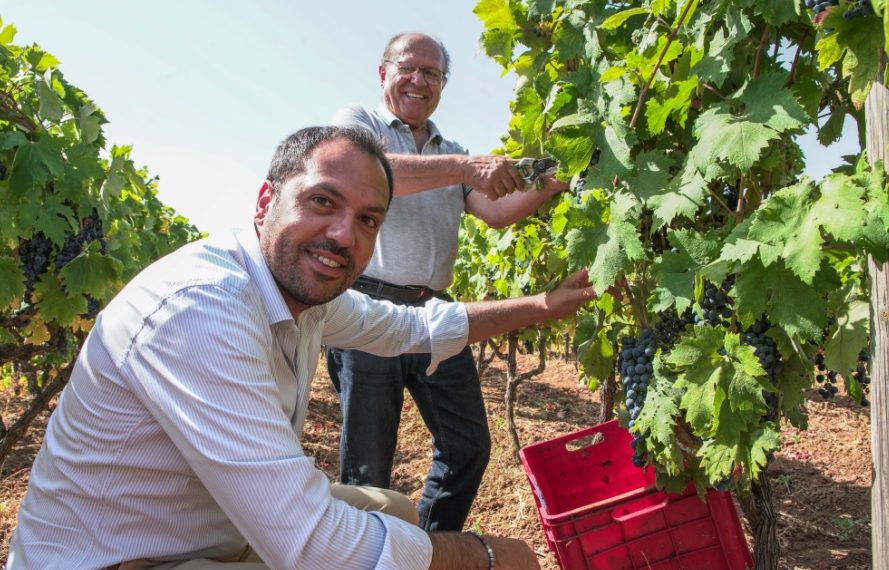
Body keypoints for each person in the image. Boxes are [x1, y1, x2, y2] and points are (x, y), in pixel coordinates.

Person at [6, 125, 595, 570]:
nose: (344, 234)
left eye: (368, 220)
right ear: (266, 201)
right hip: (121, 560)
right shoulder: (202, 309)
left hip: (210, 525)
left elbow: (410, 329)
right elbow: (314, 544)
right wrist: (482, 557)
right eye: (322, 201)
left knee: (399, 511)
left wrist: (544, 306)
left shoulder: (304, 294)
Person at [327, 32, 569, 531]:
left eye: (432, 73)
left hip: (435, 310)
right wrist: (465, 166)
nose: (419, 80)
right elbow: (371, 170)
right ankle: (362, 558)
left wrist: (552, 185)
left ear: (442, 85)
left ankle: (429, 549)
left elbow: (495, 213)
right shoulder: (360, 125)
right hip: (369, 309)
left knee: (468, 447)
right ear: (383, 72)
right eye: (408, 68)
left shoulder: (450, 149)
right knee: (368, 469)